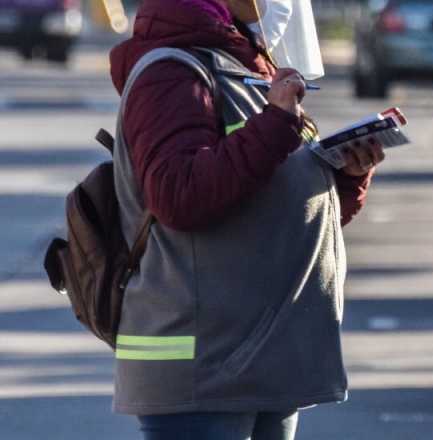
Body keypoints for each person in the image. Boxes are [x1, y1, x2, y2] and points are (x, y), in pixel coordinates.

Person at [107, 1, 382, 438]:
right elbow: (180, 197)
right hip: (207, 372)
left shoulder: (245, 65)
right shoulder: (172, 72)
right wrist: (275, 124)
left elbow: (280, 219)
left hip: (263, 364)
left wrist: (346, 178)